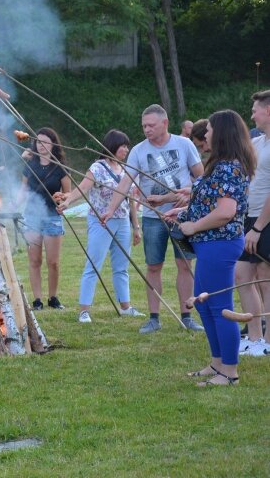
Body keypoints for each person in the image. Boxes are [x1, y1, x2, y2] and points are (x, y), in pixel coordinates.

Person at [164, 110, 254, 386]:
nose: (206, 134)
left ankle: (230, 372)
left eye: (211, 129)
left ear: (222, 133)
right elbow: (208, 203)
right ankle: (217, 364)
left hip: (220, 244)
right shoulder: (221, 164)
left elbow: (225, 212)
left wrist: (193, 227)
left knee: (219, 307)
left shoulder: (229, 168)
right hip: (210, 244)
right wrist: (182, 214)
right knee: (204, 306)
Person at [102, 104, 205, 333]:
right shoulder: (138, 151)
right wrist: (110, 209)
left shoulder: (184, 144)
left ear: (165, 123)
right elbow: (126, 183)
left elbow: (202, 178)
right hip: (153, 218)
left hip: (182, 215)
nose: (146, 129)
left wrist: (187, 196)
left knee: (185, 265)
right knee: (153, 266)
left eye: (151, 125)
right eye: (143, 126)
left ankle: (187, 316)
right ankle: (154, 318)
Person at [57, 130, 143, 323]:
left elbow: (130, 201)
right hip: (101, 222)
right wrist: (67, 201)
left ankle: (126, 307)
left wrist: (136, 227)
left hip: (122, 223)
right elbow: (83, 188)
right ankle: (84, 311)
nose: (126, 149)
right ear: (112, 146)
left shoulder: (126, 169)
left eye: (127, 146)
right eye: (123, 146)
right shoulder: (98, 168)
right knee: (93, 265)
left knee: (121, 267)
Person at [17, 127, 71, 311]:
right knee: (34, 260)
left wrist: (62, 198)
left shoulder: (60, 168)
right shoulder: (29, 165)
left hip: (52, 217)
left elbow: (68, 194)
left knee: (53, 262)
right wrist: (12, 204)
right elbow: (23, 191)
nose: (41, 146)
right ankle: (37, 300)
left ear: (53, 144)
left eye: (45, 142)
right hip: (31, 217)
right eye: (38, 142)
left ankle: (53, 298)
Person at [235, 89, 270, 356]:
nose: (252, 114)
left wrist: (258, 227)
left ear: (268, 111)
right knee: (242, 275)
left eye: (255, 110)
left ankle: (268, 342)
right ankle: (255, 338)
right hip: (247, 217)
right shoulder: (257, 143)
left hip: (264, 220)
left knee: (265, 278)